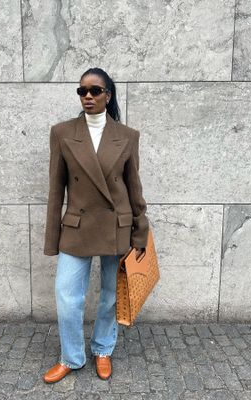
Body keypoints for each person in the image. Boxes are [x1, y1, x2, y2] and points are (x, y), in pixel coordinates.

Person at [42, 67, 149, 383]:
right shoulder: (62, 133)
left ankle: (102, 349)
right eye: (82, 91)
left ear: (108, 95)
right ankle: (71, 357)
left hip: (116, 226)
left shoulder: (127, 136)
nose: (87, 96)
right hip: (77, 226)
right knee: (66, 296)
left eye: (94, 90)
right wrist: (52, 238)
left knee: (110, 296)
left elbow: (134, 188)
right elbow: (55, 189)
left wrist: (140, 232)